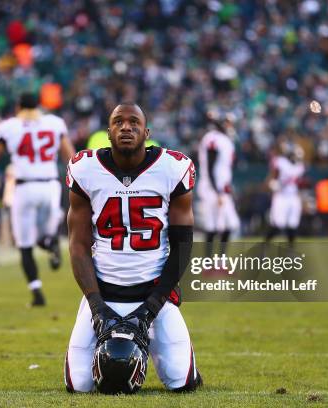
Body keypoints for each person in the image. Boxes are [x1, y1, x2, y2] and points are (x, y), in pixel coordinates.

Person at [64, 102, 202, 393]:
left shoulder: (172, 168)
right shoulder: (85, 168)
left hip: (155, 296)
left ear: (146, 131)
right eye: (118, 122)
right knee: (79, 385)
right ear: (109, 132)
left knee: (181, 381)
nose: (126, 127)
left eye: (133, 122)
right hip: (104, 294)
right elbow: (77, 246)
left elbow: (182, 247)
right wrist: (97, 307)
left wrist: (150, 309)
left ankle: (161, 348)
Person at [0, 92, 75, 306]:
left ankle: (37, 292)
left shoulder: (9, 126)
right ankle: (51, 243)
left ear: (18, 106)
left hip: (24, 186)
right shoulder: (54, 123)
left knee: (25, 244)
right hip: (50, 185)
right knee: (43, 236)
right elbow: (70, 156)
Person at [197, 109, 240, 257]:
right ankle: (209, 262)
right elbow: (210, 168)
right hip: (212, 188)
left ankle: (220, 260)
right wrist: (218, 191)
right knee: (213, 226)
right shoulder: (213, 138)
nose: (230, 125)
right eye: (228, 122)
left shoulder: (225, 139)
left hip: (221, 188)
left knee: (230, 224)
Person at [265, 141, 306, 245]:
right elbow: (271, 178)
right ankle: (264, 246)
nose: (297, 157)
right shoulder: (280, 162)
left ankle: (290, 251)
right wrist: (273, 184)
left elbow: (300, 182)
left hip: (293, 196)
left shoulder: (300, 166)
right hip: (281, 196)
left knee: (293, 225)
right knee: (278, 224)